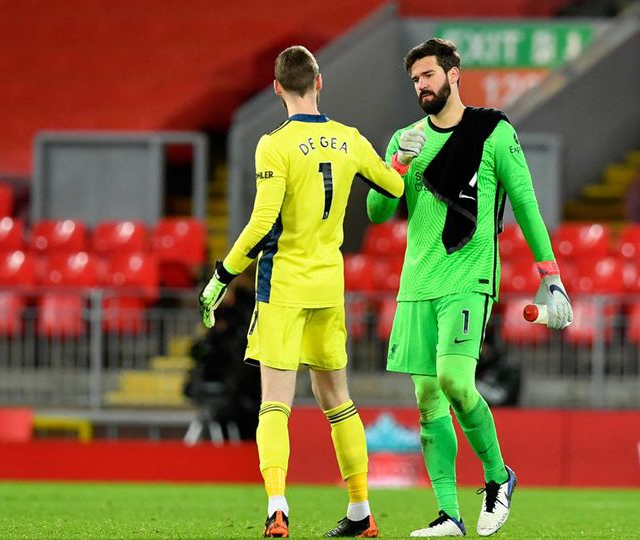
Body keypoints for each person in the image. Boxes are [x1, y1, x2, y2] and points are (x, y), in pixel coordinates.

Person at [366, 38, 573, 537]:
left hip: (468, 277)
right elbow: (375, 215)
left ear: (454, 74)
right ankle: (448, 515)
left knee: (456, 383)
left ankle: (500, 478)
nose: (422, 86)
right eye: (415, 79)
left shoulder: (492, 131)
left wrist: (554, 280)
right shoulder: (405, 139)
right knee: (427, 400)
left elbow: (525, 203)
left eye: (430, 75)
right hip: (417, 284)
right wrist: (393, 167)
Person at [199, 45, 404, 538]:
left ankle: (277, 507)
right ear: (320, 82)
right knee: (339, 401)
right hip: (329, 287)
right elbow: (394, 189)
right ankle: (361, 510)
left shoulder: (275, 145)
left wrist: (222, 275)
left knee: (275, 403)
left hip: (283, 287)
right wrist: (397, 160)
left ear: (276, 89)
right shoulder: (349, 139)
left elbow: (262, 221)